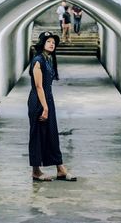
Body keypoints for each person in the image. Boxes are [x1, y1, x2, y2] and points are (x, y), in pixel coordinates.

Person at [28, 31, 77, 182]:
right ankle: (36, 171)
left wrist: (48, 105)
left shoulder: (48, 59)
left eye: (53, 42)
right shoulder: (38, 60)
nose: (52, 44)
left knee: (51, 134)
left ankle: (60, 168)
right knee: (37, 135)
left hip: (48, 99)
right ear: (42, 43)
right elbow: (38, 86)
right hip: (39, 101)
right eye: (48, 41)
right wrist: (45, 108)